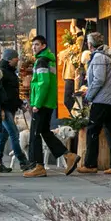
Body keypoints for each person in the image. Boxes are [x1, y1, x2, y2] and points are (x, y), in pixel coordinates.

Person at [23, 35, 80, 178]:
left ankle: (38, 166)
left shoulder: (42, 61)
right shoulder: (48, 60)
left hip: (42, 103)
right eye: (33, 45)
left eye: (37, 44)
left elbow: (43, 84)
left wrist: (37, 104)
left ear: (43, 46)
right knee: (45, 132)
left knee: (35, 134)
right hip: (48, 102)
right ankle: (68, 156)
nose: (34, 47)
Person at [78, 32, 111, 174]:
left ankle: (90, 164)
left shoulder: (98, 57)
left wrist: (89, 96)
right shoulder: (108, 55)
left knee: (92, 130)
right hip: (109, 99)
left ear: (90, 44)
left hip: (101, 100)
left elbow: (98, 80)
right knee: (110, 131)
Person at [0, 49, 29, 172]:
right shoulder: (2, 73)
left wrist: (20, 104)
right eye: (16, 58)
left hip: (10, 107)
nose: (18, 60)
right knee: (14, 134)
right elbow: (0, 93)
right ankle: (23, 161)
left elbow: (12, 93)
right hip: (5, 109)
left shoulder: (8, 72)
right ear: (10, 59)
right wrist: (2, 109)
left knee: (3, 135)